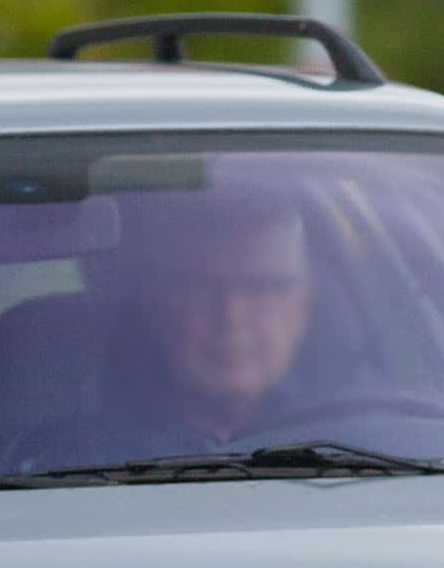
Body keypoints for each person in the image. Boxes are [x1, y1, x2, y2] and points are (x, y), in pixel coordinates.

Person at [90, 191, 315, 451]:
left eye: (262, 288)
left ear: (304, 304)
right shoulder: (77, 459)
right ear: (154, 306)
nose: (231, 318)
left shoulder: (357, 434)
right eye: (199, 289)